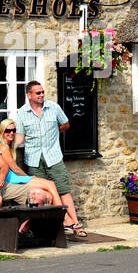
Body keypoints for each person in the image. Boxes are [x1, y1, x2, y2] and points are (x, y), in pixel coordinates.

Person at [15, 81, 87, 237]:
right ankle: (49, 228)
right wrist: (6, 145)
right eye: (38, 93)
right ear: (29, 95)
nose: (41, 95)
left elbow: (66, 124)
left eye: (42, 92)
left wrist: (54, 134)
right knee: (39, 194)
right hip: (33, 158)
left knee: (63, 190)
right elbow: (20, 137)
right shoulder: (21, 113)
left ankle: (75, 224)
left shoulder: (53, 107)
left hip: (53, 156)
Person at [0, 118, 62, 205]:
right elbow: (15, 169)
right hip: (13, 180)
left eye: (13, 130)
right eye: (8, 130)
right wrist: (29, 177)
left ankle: (50, 217)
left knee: (48, 195)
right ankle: (64, 216)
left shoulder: (9, 147)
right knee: (50, 184)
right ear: (2, 132)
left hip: (15, 178)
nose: (11, 133)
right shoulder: (3, 147)